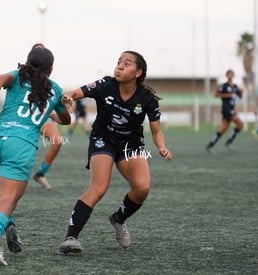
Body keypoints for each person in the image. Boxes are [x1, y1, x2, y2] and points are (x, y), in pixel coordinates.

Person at [58, 50, 172, 255]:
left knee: (142, 188)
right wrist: (68, 98)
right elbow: (76, 93)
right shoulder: (106, 84)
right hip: (103, 139)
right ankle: (71, 238)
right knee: (99, 188)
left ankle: (118, 218)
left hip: (131, 145)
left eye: (127, 64)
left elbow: (156, 131)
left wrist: (161, 147)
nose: (120, 66)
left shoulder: (147, 98)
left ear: (138, 73)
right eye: (119, 62)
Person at [0, 47, 71, 266]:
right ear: (51, 69)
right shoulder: (55, 89)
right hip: (20, 144)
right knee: (10, 197)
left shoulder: (18, 76)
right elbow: (66, 120)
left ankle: (7, 223)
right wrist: (63, 105)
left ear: (27, 62)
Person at [31, 42, 64, 190]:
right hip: (24, 119)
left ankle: (40, 174)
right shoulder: (23, 77)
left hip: (42, 117)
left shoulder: (49, 82)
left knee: (57, 141)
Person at [206, 69, 243, 153]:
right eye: (229, 74)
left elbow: (240, 96)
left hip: (231, 109)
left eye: (232, 74)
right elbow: (216, 94)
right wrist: (227, 95)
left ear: (233, 75)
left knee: (223, 129)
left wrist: (241, 91)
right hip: (226, 110)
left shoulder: (235, 87)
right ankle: (229, 141)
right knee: (240, 124)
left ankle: (210, 145)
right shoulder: (224, 86)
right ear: (227, 76)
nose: (230, 76)